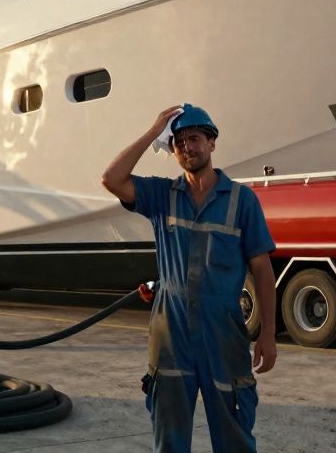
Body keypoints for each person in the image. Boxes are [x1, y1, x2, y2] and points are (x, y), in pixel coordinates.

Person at [102, 104, 277, 453]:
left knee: (234, 435)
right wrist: (154, 131)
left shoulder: (242, 201)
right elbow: (112, 179)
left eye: (195, 138)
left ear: (212, 143)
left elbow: (262, 268)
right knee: (170, 436)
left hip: (223, 335)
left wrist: (268, 333)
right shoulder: (161, 196)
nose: (187, 147)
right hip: (171, 336)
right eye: (179, 142)